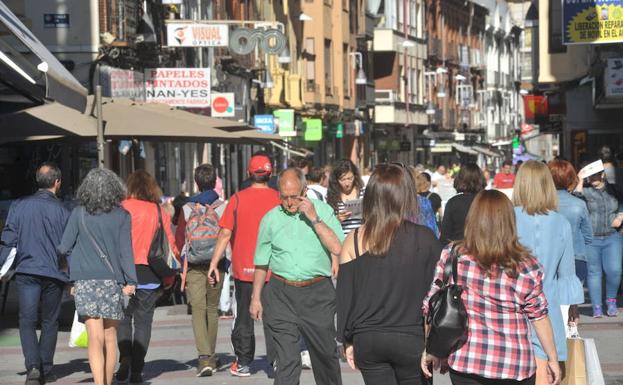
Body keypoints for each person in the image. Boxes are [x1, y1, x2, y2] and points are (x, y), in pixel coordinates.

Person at [421, 190, 561, 385]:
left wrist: (431, 349)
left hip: (466, 361)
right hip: (514, 364)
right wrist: (552, 358)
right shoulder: (526, 265)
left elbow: (432, 303)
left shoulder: (453, 256)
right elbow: (539, 316)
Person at [337, 164, 442, 385]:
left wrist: (347, 340)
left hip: (368, 337)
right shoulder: (425, 238)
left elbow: (345, 296)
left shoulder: (354, 240)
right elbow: (436, 294)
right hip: (411, 336)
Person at [250, 168, 343, 385]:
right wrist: (255, 298)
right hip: (281, 294)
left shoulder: (322, 211)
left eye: (295, 196)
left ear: (305, 190)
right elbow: (262, 263)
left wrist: (314, 219)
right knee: (287, 361)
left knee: (325, 357)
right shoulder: (270, 219)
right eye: (284, 197)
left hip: (317, 293)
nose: (290, 202)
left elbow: (338, 247)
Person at [57, 168, 137, 385]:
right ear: (114, 189)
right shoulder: (122, 216)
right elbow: (125, 251)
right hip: (113, 281)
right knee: (111, 337)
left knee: (95, 337)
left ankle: (99, 383)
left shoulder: (78, 213)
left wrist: (74, 270)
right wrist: (131, 281)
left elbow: (64, 246)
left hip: (85, 282)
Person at [206, 154, 281, 377]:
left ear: (249, 174)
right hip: (274, 269)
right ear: (270, 174)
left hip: (244, 269)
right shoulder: (279, 198)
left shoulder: (237, 199)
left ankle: (244, 362)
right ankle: (277, 360)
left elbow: (224, 233)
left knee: (244, 317)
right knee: (274, 317)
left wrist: (213, 263)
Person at [513, 160, 583, 384]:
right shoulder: (561, 222)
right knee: (545, 367)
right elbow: (567, 273)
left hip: (511, 304)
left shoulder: (508, 218)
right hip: (547, 303)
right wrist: (573, 306)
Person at [0, 163, 70, 385]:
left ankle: (32, 366)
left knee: (27, 320)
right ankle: (46, 367)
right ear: (57, 182)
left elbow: (8, 239)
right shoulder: (64, 210)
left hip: (27, 270)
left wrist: (2, 268)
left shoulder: (19, 206)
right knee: (50, 321)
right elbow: (69, 247)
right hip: (54, 273)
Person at [116, 170, 179, 383]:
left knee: (123, 319)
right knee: (143, 322)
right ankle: (137, 369)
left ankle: (124, 357)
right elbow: (171, 247)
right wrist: (170, 277)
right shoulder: (159, 211)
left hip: (123, 273)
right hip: (150, 274)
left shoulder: (121, 208)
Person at [174, 164, 226, 376]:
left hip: (194, 265)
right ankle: (210, 356)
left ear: (196, 183)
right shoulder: (223, 206)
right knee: (212, 309)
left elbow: (178, 239)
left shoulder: (187, 208)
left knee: (198, 309)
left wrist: (183, 259)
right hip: (217, 264)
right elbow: (229, 235)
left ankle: (204, 358)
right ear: (215, 182)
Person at [574, 161, 623, 317]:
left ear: (602, 174)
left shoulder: (614, 189)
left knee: (614, 270)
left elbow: (622, 204)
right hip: (592, 239)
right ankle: (596, 306)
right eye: (590, 175)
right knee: (594, 273)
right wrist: (580, 180)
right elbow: (575, 199)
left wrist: (621, 216)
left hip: (612, 236)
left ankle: (611, 301)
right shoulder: (586, 192)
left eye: (595, 174)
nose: (592, 178)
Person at [547, 160, 593, 284]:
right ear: (571, 178)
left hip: (549, 258)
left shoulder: (542, 205)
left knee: (551, 299)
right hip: (576, 257)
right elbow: (589, 237)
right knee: (572, 298)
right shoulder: (579, 204)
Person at [440, 163, 486, 246]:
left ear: (460, 180)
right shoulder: (488, 200)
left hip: (460, 250)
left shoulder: (453, 203)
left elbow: (445, 236)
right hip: (485, 250)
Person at [327, 159, 365, 235]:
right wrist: (337, 219)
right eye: (343, 179)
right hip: (342, 240)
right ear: (336, 180)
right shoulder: (332, 196)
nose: (347, 183)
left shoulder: (364, 192)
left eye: (350, 178)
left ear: (355, 176)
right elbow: (327, 223)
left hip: (361, 238)